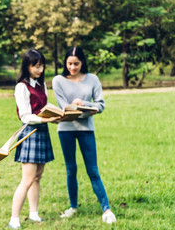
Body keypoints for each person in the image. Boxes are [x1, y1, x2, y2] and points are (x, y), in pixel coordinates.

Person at [52, 47, 116, 224]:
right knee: (71, 170)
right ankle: (73, 207)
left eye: (76, 63)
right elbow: (65, 108)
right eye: (70, 63)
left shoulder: (92, 79)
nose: (73, 67)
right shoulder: (58, 80)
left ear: (82, 62)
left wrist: (84, 104)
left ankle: (107, 209)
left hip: (86, 130)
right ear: (65, 63)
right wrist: (85, 110)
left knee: (92, 170)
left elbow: (100, 105)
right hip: (65, 130)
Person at [8, 49, 59, 229]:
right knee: (27, 179)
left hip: (43, 131)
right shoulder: (22, 86)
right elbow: (25, 116)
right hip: (30, 132)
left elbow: (44, 108)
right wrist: (46, 118)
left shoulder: (41, 85)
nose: (39, 69)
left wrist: (55, 117)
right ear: (27, 66)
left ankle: (34, 213)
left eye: (41, 66)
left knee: (37, 177)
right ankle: (14, 219)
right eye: (35, 66)